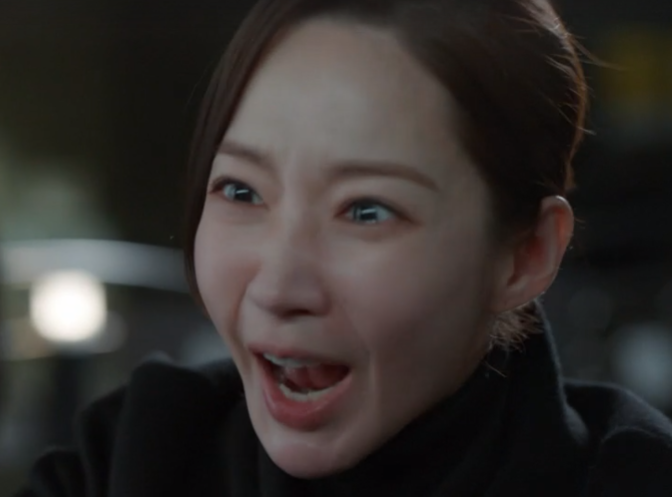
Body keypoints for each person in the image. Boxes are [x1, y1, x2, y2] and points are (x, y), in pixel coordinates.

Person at [16, 0, 672, 495]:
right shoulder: (130, 461)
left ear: (526, 254)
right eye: (242, 191)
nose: (277, 288)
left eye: (366, 210)